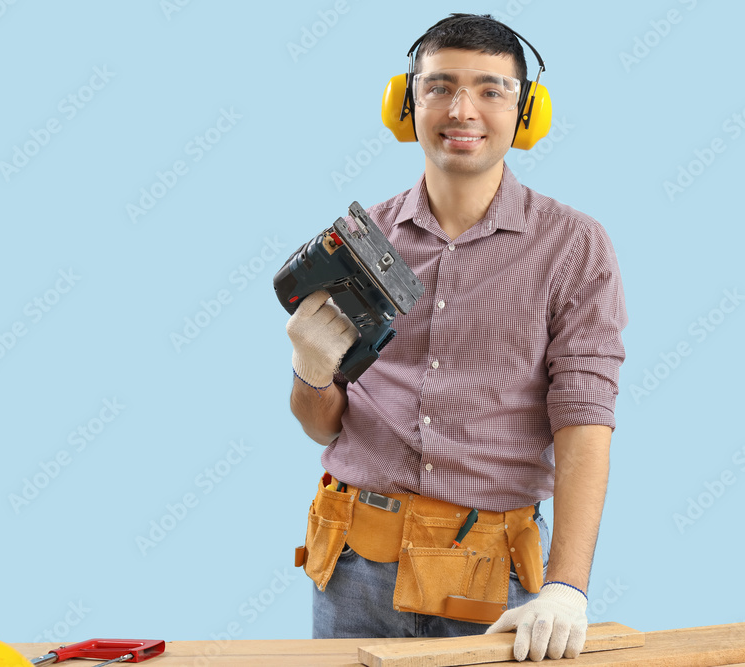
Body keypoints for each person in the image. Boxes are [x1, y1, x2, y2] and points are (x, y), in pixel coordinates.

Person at [284, 13, 627, 662]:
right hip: (355, 567)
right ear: (404, 103)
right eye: (438, 86)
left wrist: (567, 586)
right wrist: (309, 371)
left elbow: (584, 420)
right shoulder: (362, 240)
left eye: (491, 90)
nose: (461, 108)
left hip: (494, 579)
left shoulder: (574, 247)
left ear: (527, 114)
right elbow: (323, 427)